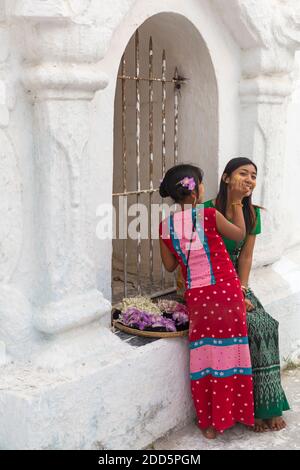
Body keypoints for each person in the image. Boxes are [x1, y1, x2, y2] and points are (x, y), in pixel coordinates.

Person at [159, 164, 254, 439]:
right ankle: (235, 414)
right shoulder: (209, 214)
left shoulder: (165, 226)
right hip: (226, 291)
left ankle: (210, 423)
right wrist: (236, 202)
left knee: (205, 356)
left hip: (198, 298)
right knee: (232, 352)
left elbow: (168, 266)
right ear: (197, 190)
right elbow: (239, 234)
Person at [203, 157, 290, 432]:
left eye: (254, 175)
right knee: (251, 327)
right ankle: (251, 409)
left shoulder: (254, 215)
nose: (250, 179)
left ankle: (268, 406)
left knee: (266, 325)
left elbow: (246, 258)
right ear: (227, 178)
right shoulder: (206, 211)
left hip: (236, 286)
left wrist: (241, 291)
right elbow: (202, 257)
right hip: (211, 285)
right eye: (243, 173)